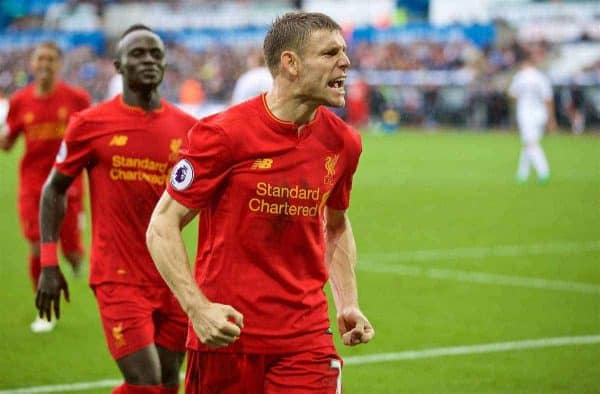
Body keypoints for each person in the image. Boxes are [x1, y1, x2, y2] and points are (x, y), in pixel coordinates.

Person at [147, 12, 375, 393]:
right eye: (330, 53)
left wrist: (347, 301)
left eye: (345, 51)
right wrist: (197, 308)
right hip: (228, 337)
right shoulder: (221, 135)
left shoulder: (344, 143)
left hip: (306, 339)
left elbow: (335, 223)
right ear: (290, 63)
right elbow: (161, 226)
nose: (345, 62)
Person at [35, 25, 197, 394]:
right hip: (117, 274)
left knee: (170, 382)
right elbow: (53, 190)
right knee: (145, 381)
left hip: (171, 274)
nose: (149, 60)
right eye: (138, 54)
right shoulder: (91, 124)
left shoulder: (189, 129)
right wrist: (48, 261)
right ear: (118, 66)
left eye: (156, 54)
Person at [0, 41, 90, 333]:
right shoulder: (20, 101)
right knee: (37, 245)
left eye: (50, 59)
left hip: (67, 184)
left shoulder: (76, 99)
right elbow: (8, 142)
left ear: (59, 65)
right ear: (32, 63)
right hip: (33, 187)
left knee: (72, 251)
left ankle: (76, 260)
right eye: (40, 58)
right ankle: (45, 310)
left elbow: (91, 136)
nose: (44, 64)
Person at [508, 45, 557, 183]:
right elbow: (548, 99)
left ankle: (544, 171)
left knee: (531, 143)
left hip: (526, 114)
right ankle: (522, 174)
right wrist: (551, 119)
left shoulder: (520, 76)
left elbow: (512, 94)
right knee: (528, 143)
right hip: (540, 113)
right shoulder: (541, 77)